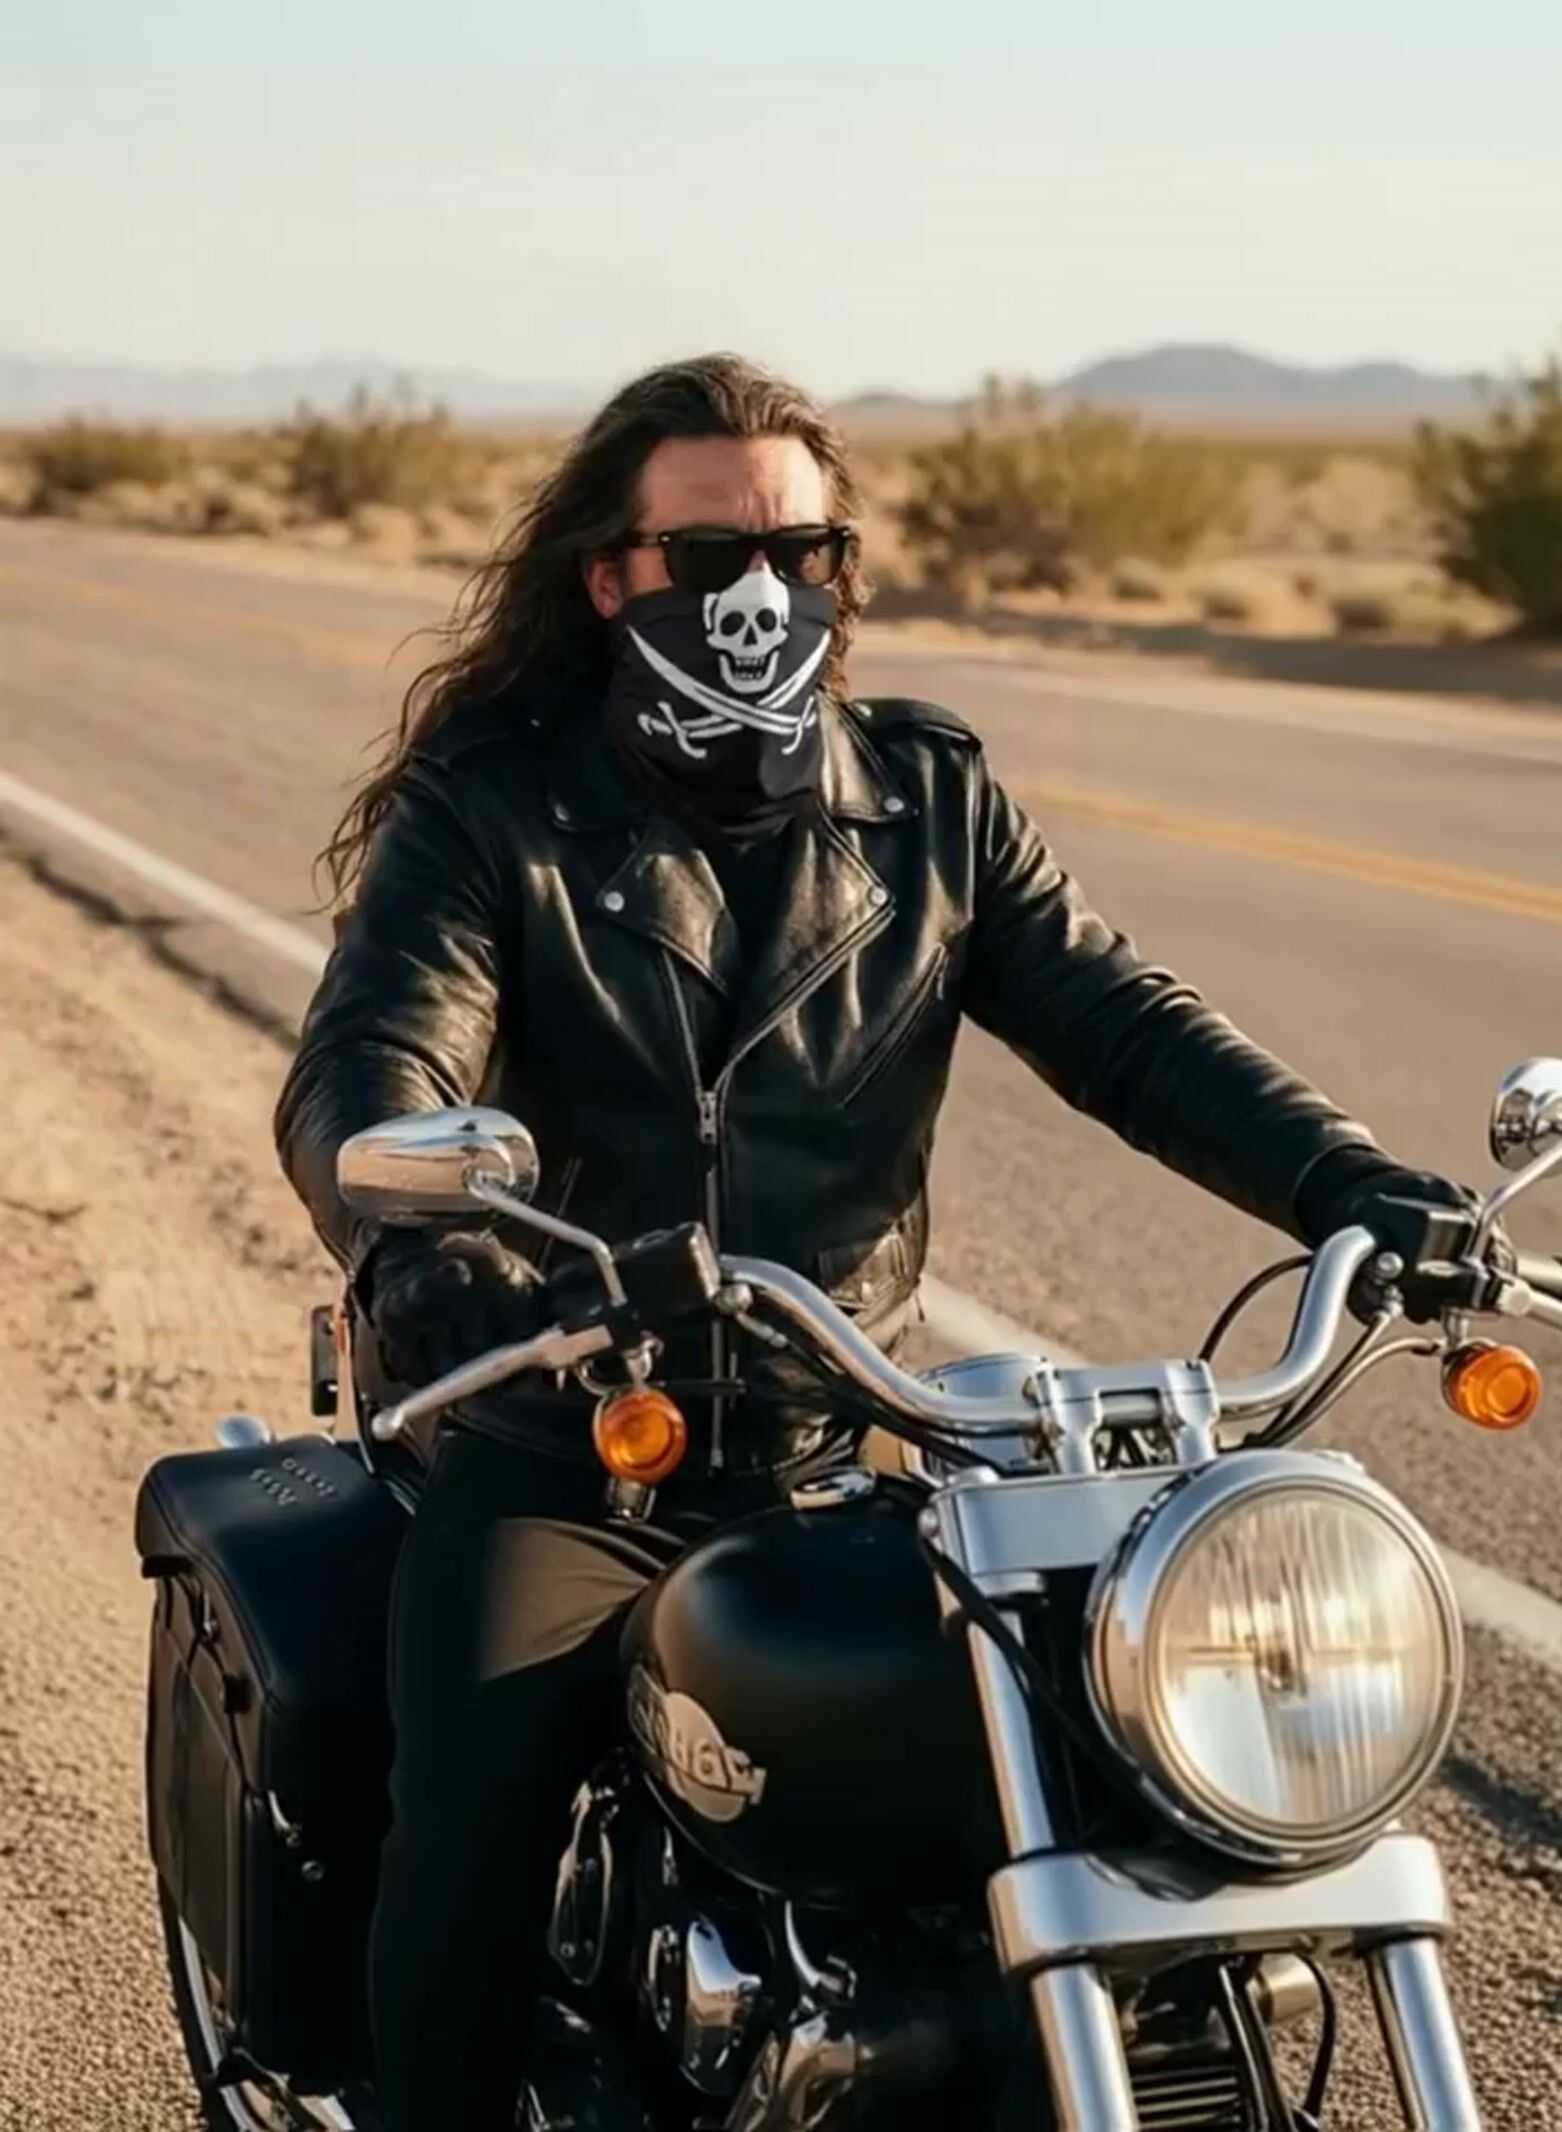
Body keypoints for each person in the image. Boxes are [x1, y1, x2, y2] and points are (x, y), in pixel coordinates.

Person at [274, 353, 1474, 2129]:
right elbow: (375, 1058)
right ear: (608, 577)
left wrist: (1353, 1185)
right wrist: (420, 1243)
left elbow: (1128, 1028)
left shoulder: (929, 800)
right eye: (706, 557)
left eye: (802, 553)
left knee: (1102, 1761)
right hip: (567, 1442)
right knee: (471, 1816)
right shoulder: (495, 808)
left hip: (847, 1439)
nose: (758, 594)